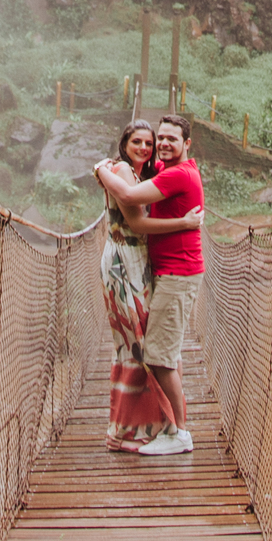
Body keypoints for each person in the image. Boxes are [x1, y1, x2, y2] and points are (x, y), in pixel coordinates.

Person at [95, 113, 204, 457]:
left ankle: (175, 430)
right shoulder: (148, 169)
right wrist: (101, 167)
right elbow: (129, 195)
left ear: (187, 144)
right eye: (159, 139)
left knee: (156, 352)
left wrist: (101, 168)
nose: (154, 146)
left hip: (171, 272)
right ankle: (158, 427)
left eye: (155, 141)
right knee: (150, 349)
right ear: (125, 145)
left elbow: (130, 197)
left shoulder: (174, 173)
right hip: (139, 268)